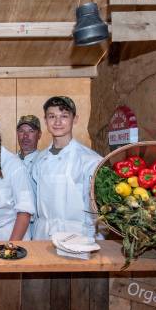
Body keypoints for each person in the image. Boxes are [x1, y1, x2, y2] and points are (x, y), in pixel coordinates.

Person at [30, 96, 102, 240]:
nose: (57, 122)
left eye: (64, 116)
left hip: (78, 238)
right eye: (52, 116)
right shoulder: (39, 159)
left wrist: (93, 239)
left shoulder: (90, 160)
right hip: (42, 237)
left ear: (74, 119)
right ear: (45, 121)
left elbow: (97, 210)